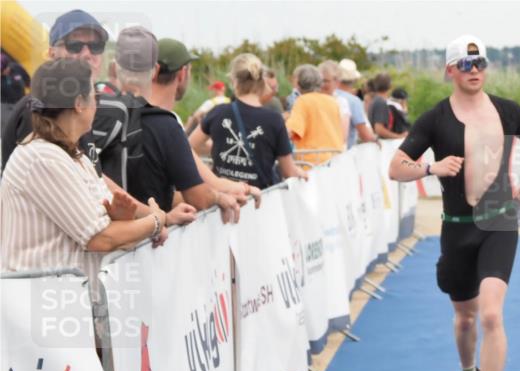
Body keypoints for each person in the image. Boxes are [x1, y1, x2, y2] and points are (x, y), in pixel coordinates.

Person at [388, 34, 520, 371]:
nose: (474, 70)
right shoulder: (434, 119)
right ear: (450, 70)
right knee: (465, 319)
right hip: (457, 227)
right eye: (465, 64)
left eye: (480, 63)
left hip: (499, 223)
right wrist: (432, 168)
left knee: (492, 315)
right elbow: (395, 167)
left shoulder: (507, 110)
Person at [1, 59, 168, 287]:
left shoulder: (71, 155)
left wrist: (121, 218)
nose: (97, 102)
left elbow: (100, 228)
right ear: (79, 104)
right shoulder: (43, 158)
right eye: (93, 95)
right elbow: (100, 238)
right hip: (39, 309)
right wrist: (157, 220)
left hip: (57, 305)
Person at [109, 27, 239, 223]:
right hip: (149, 241)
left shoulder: (96, 115)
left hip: (104, 236)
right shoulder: (165, 125)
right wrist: (220, 197)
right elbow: (198, 196)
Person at [2, 8, 108, 171]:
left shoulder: (78, 107)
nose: (87, 54)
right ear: (52, 54)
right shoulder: (39, 109)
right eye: (75, 45)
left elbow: (93, 174)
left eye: (96, 46)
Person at [190, 53, 305, 189]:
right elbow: (288, 171)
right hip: (260, 201)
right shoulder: (274, 120)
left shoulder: (218, 112)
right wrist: (302, 173)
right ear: (261, 81)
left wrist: (211, 176)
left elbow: (187, 148)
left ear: (233, 81)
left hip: (223, 201)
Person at [286, 64, 345, 166]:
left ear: (298, 84)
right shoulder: (333, 101)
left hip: (312, 163)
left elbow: (290, 132)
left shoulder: (302, 101)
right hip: (335, 160)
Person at [336, 58, 376, 147]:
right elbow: (365, 135)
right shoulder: (354, 101)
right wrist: (375, 140)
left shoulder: (329, 96)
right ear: (354, 80)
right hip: (344, 153)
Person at [319, 60, 351, 144]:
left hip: (334, 152)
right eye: (320, 80)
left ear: (337, 82)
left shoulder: (341, 102)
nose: (322, 84)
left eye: (326, 81)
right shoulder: (309, 99)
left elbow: (343, 135)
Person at [369, 73, 403, 140]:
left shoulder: (375, 100)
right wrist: (399, 137)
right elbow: (379, 129)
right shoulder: (380, 102)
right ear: (390, 86)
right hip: (382, 144)